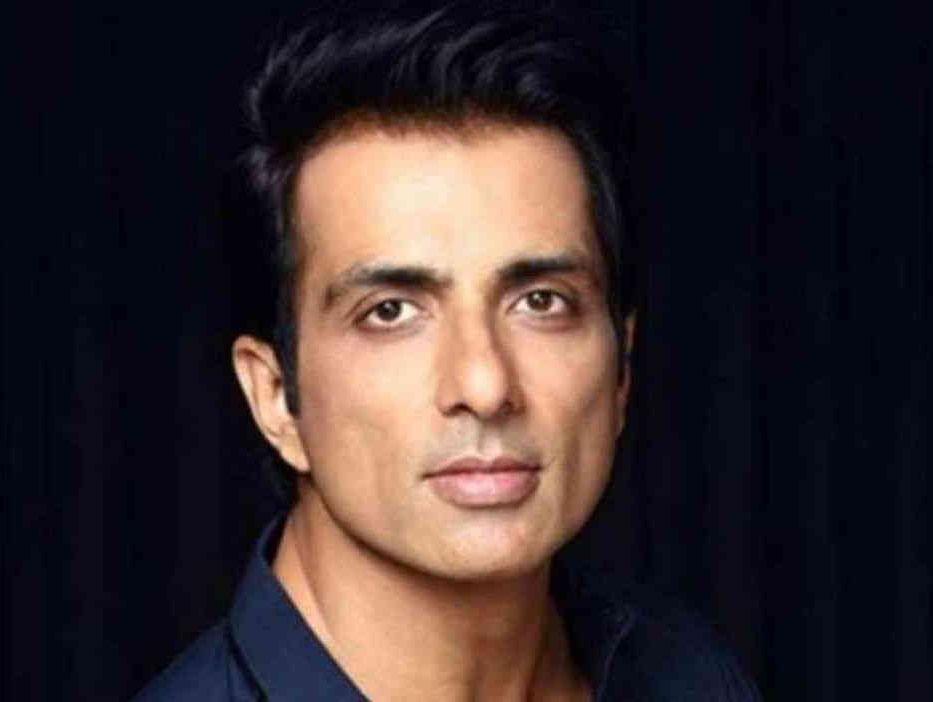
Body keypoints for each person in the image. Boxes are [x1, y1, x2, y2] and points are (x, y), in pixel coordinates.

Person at [133, 2, 761, 700]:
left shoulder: (692, 679)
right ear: (276, 397)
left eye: (540, 301)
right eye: (391, 312)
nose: (485, 384)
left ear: (622, 367)